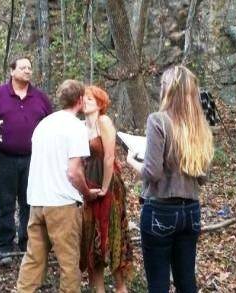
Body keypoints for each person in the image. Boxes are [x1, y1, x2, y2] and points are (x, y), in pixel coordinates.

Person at [127, 65, 214, 293]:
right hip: (191, 212)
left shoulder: (158, 120)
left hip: (161, 211)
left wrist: (133, 162)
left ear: (168, 90)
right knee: (186, 282)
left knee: (158, 285)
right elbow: (202, 177)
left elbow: (152, 173)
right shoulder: (200, 127)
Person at [17, 80, 100, 293]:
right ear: (80, 100)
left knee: (34, 258)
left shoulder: (43, 125)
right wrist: (87, 193)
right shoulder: (74, 127)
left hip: (37, 199)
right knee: (68, 262)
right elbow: (74, 171)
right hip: (62, 202)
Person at [0, 56, 52, 259]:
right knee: (4, 203)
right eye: (22, 67)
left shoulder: (40, 97)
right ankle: (4, 246)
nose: (27, 71)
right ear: (12, 71)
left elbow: (50, 124)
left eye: (29, 68)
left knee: (30, 203)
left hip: (33, 159)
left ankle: (27, 244)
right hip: (2, 158)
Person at [80, 86, 133, 293]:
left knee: (112, 234)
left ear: (100, 103)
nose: (86, 102)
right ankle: (99, 287)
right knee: (93, 238)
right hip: (90, 184)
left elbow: (109, 157)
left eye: (91, 99)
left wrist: (104, 188)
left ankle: (121, 287)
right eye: (84, 99)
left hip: (108, 184)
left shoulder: (104, 121)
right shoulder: (82, 125)